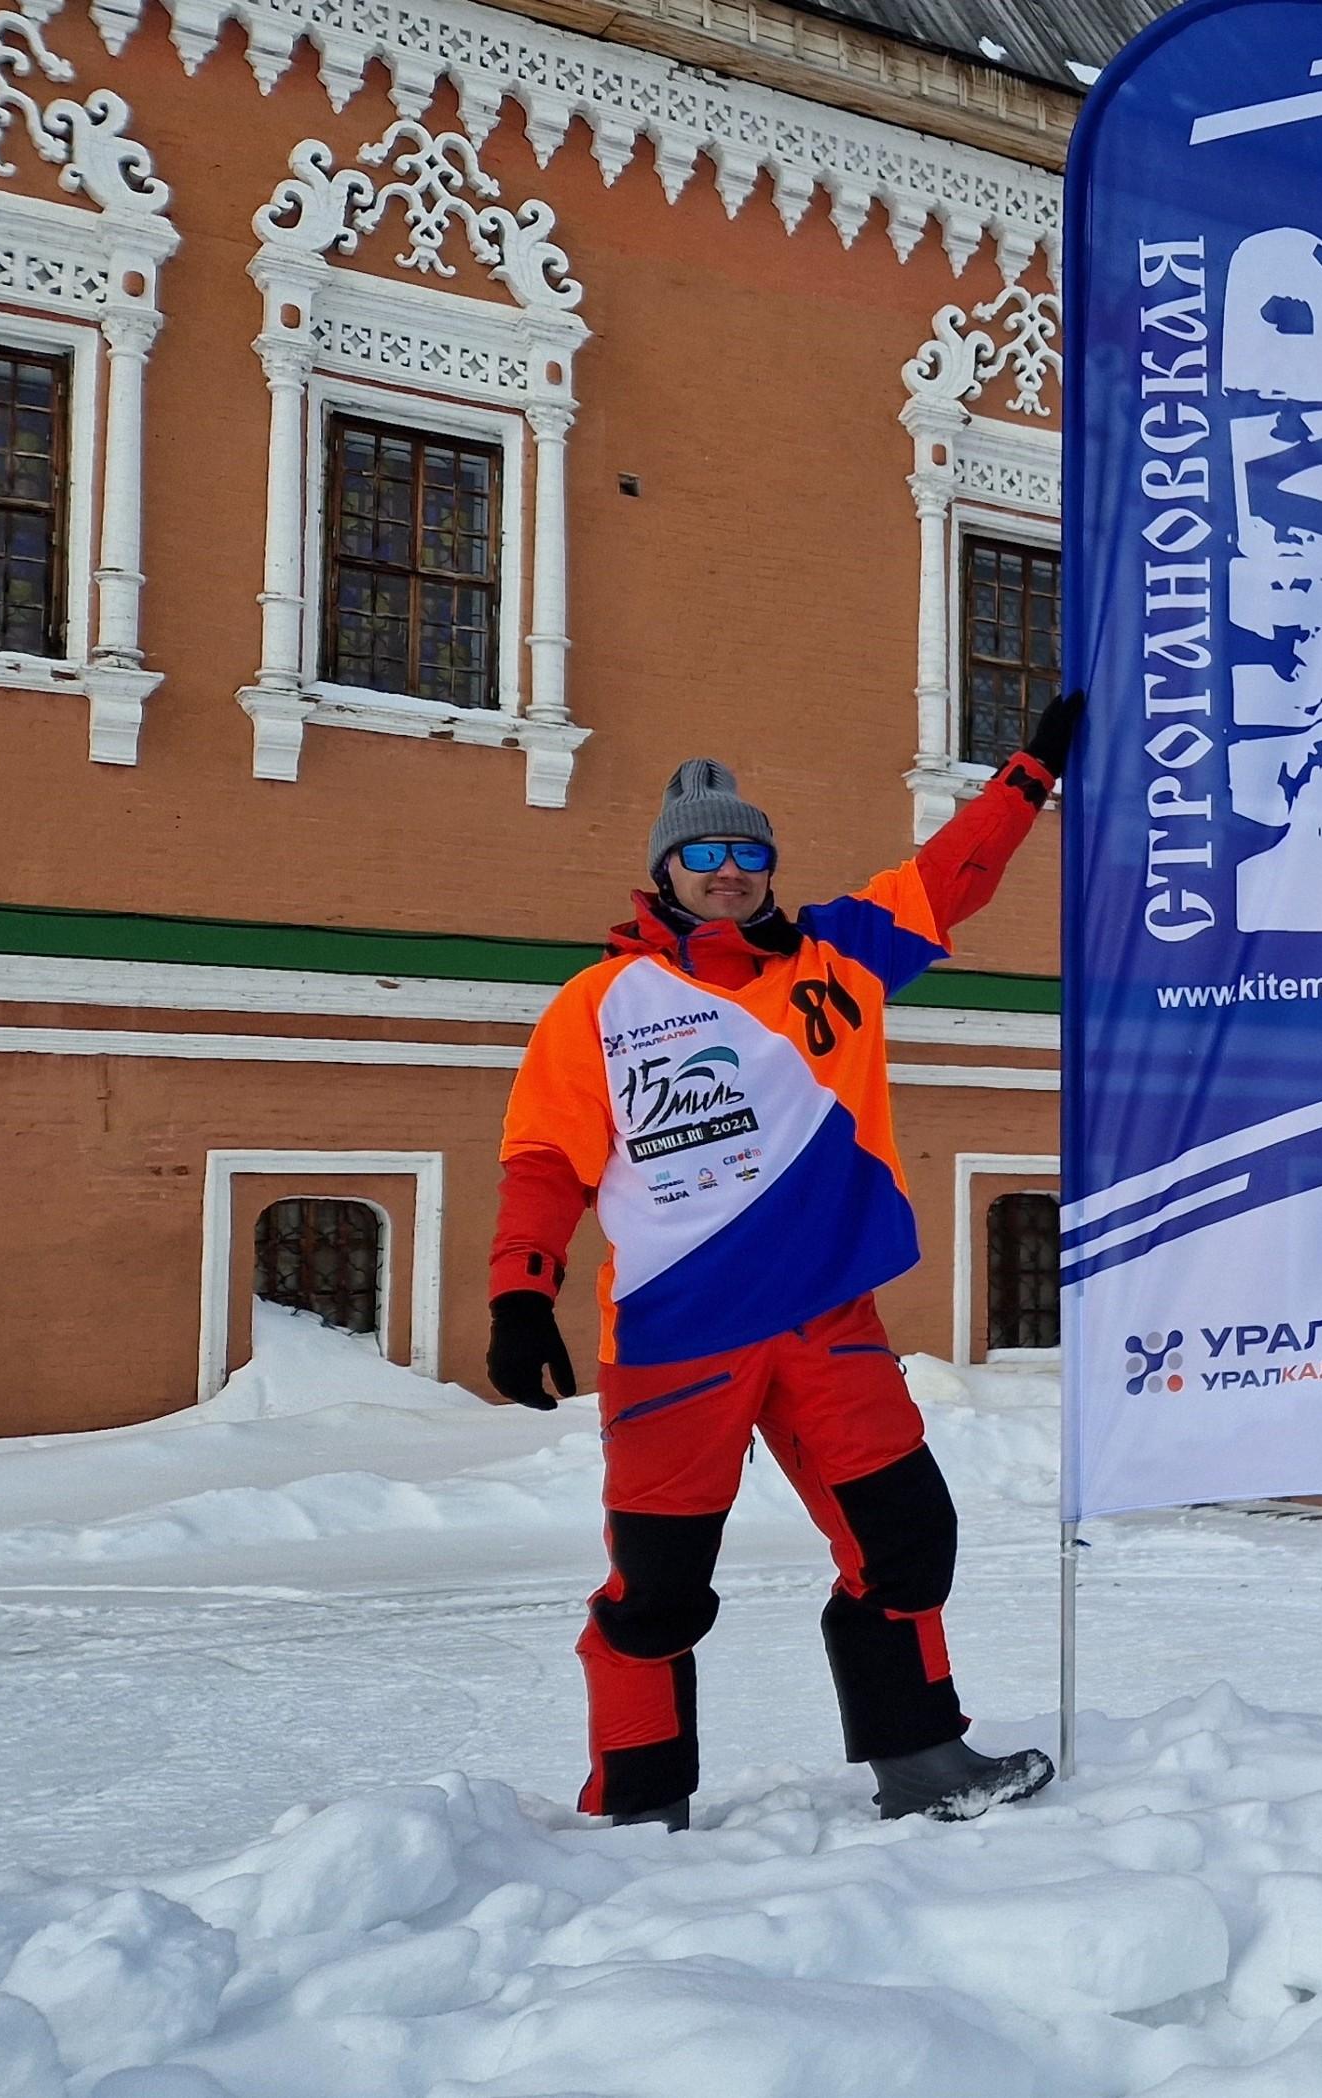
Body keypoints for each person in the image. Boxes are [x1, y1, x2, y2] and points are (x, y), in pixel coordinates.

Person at [485, 695, 1080, 1828]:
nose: (729, 870)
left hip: (825, 1322)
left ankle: (919, 1760)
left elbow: (954, 872)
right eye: (704, 852)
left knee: (906, 1537)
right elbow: (544, 1160)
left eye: (747, 851)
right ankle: (640, 1802)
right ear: (666, 870)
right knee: (658, 1587)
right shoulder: (600, 1005)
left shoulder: (838, 958)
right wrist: (522, 1290)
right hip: (678, 1337)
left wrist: (1030, 774)